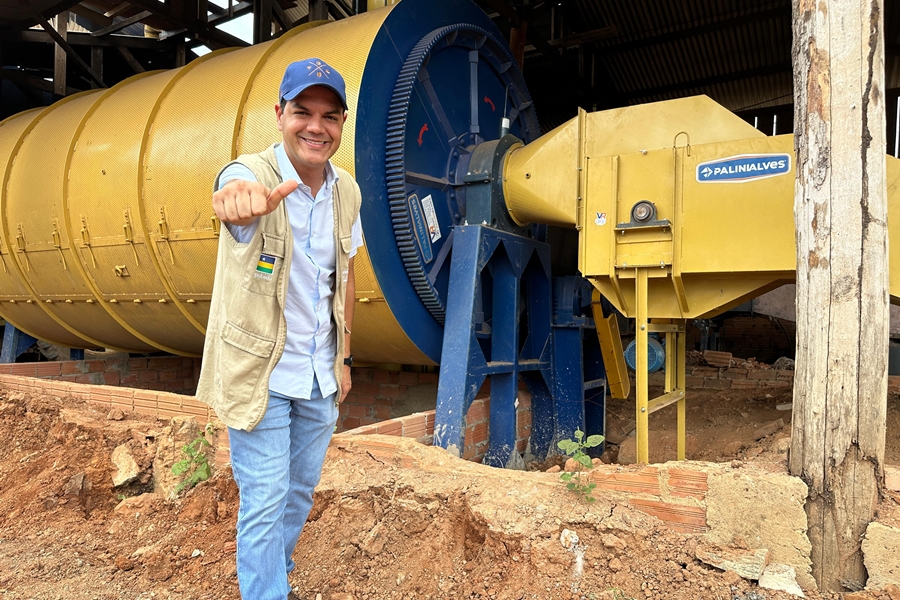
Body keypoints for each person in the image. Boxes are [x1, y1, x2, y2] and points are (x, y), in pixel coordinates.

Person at [196, 57, 362, 600]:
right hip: (260, 372)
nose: (316, 126)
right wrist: (235, 201)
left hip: (319, 373)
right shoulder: (253, 175)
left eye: (329, 116)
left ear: (342, 124)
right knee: (265, 497)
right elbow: (231, 189)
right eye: (302, 112)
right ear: (280, 114)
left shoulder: (348, 193)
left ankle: (273, 575)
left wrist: (344, 359)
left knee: (298, 493)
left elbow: (347, 275)